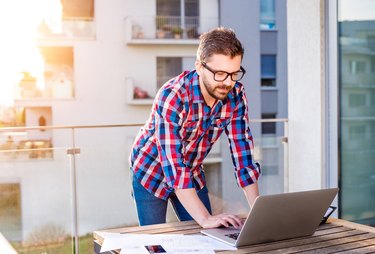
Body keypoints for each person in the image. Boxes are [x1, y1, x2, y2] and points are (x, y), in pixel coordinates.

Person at [129, 27, 260, 229]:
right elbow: (174, 166)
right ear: (199, 66)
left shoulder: (236, 96)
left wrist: (257, 212)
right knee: (154, 245)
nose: (227, 82)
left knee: (206, 238)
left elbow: (243, 156)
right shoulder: (173, 96)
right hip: (150, 171)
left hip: (191, 171)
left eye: (234, 74)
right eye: (220, 74)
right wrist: (205, 218)